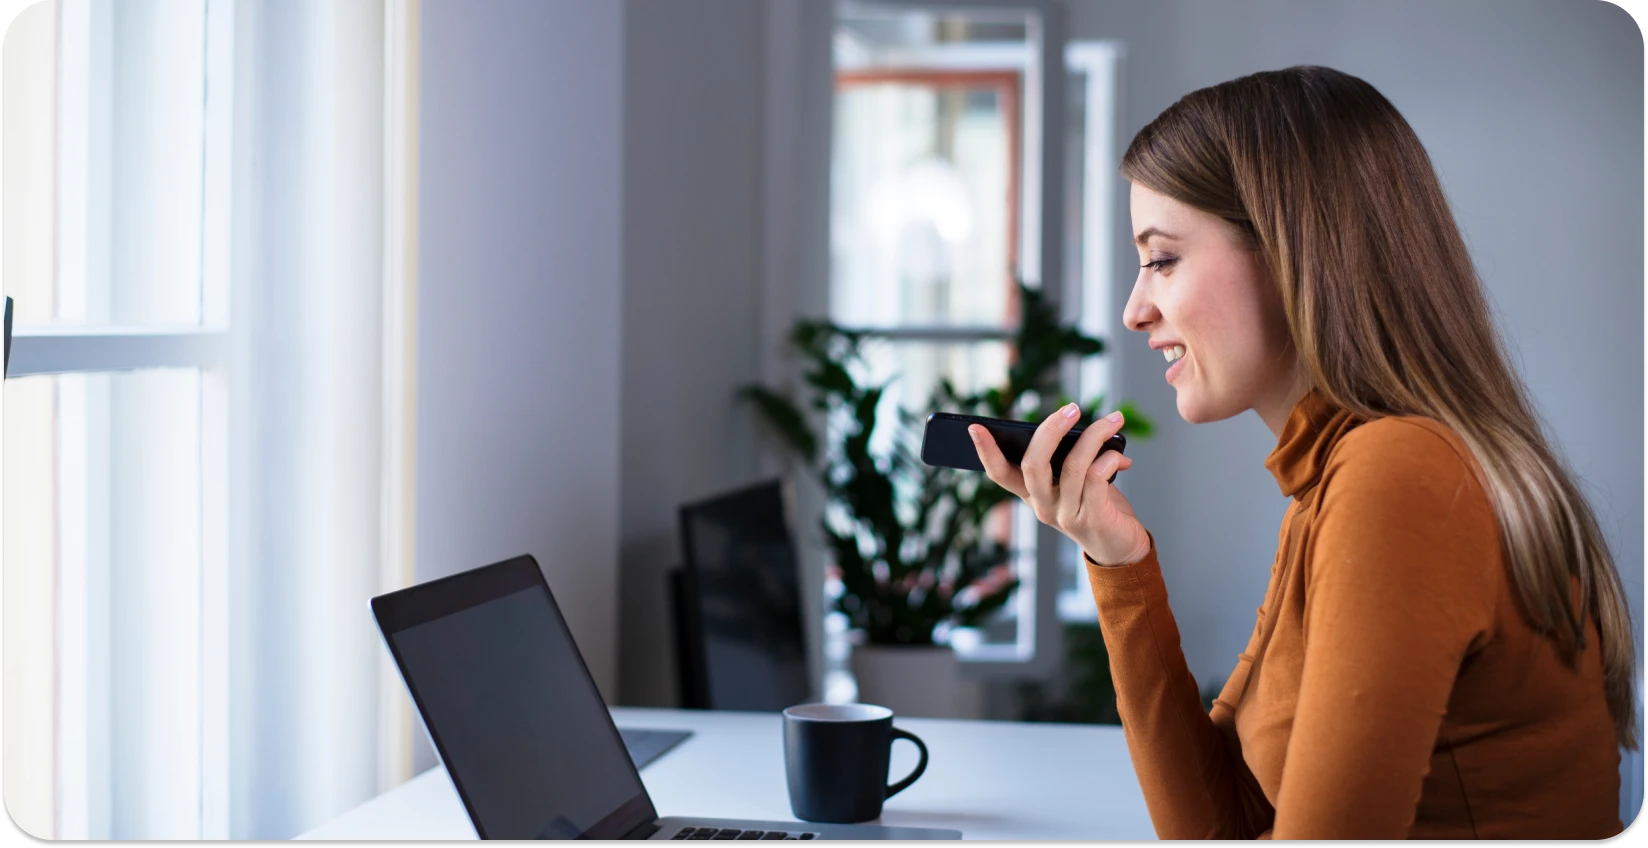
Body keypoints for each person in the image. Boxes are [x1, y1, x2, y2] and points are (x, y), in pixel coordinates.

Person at [969, 65, 1634, 840]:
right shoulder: (1337, 476)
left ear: (1289, 251)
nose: (1134, 309)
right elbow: (1223, 824)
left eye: (1162, 258)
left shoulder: (1397, 476)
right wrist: (1116, 558)